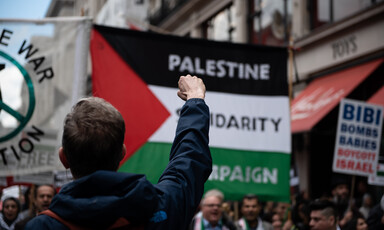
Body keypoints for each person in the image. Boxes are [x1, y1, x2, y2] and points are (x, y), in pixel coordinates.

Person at [25, 75, 212, 229]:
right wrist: (195, 100)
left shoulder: (41, 226)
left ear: (63, 157)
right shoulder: (162, 209)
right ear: (122, 153)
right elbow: (189, 161)